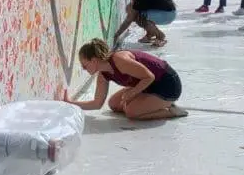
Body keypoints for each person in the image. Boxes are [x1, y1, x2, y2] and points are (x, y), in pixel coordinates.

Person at [58, 38, 187, 120]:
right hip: (148, 85)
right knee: (113, 104)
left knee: (131, 112)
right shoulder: (103, 74)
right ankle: (152, 103)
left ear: (94, 60)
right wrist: (71, 104)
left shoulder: (119, 60)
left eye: (84, 65)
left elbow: (149, 77)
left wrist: (132, 92)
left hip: (167, 85)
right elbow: (97, 104)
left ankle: (170, 110)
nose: (83, 69)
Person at [112, 0, 176, 47]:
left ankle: (160, 36)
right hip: (170, 12)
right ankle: (150, 34)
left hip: (166, 15)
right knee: (135, 11)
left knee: (139, 16)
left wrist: (117, 34)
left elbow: (129, 19)